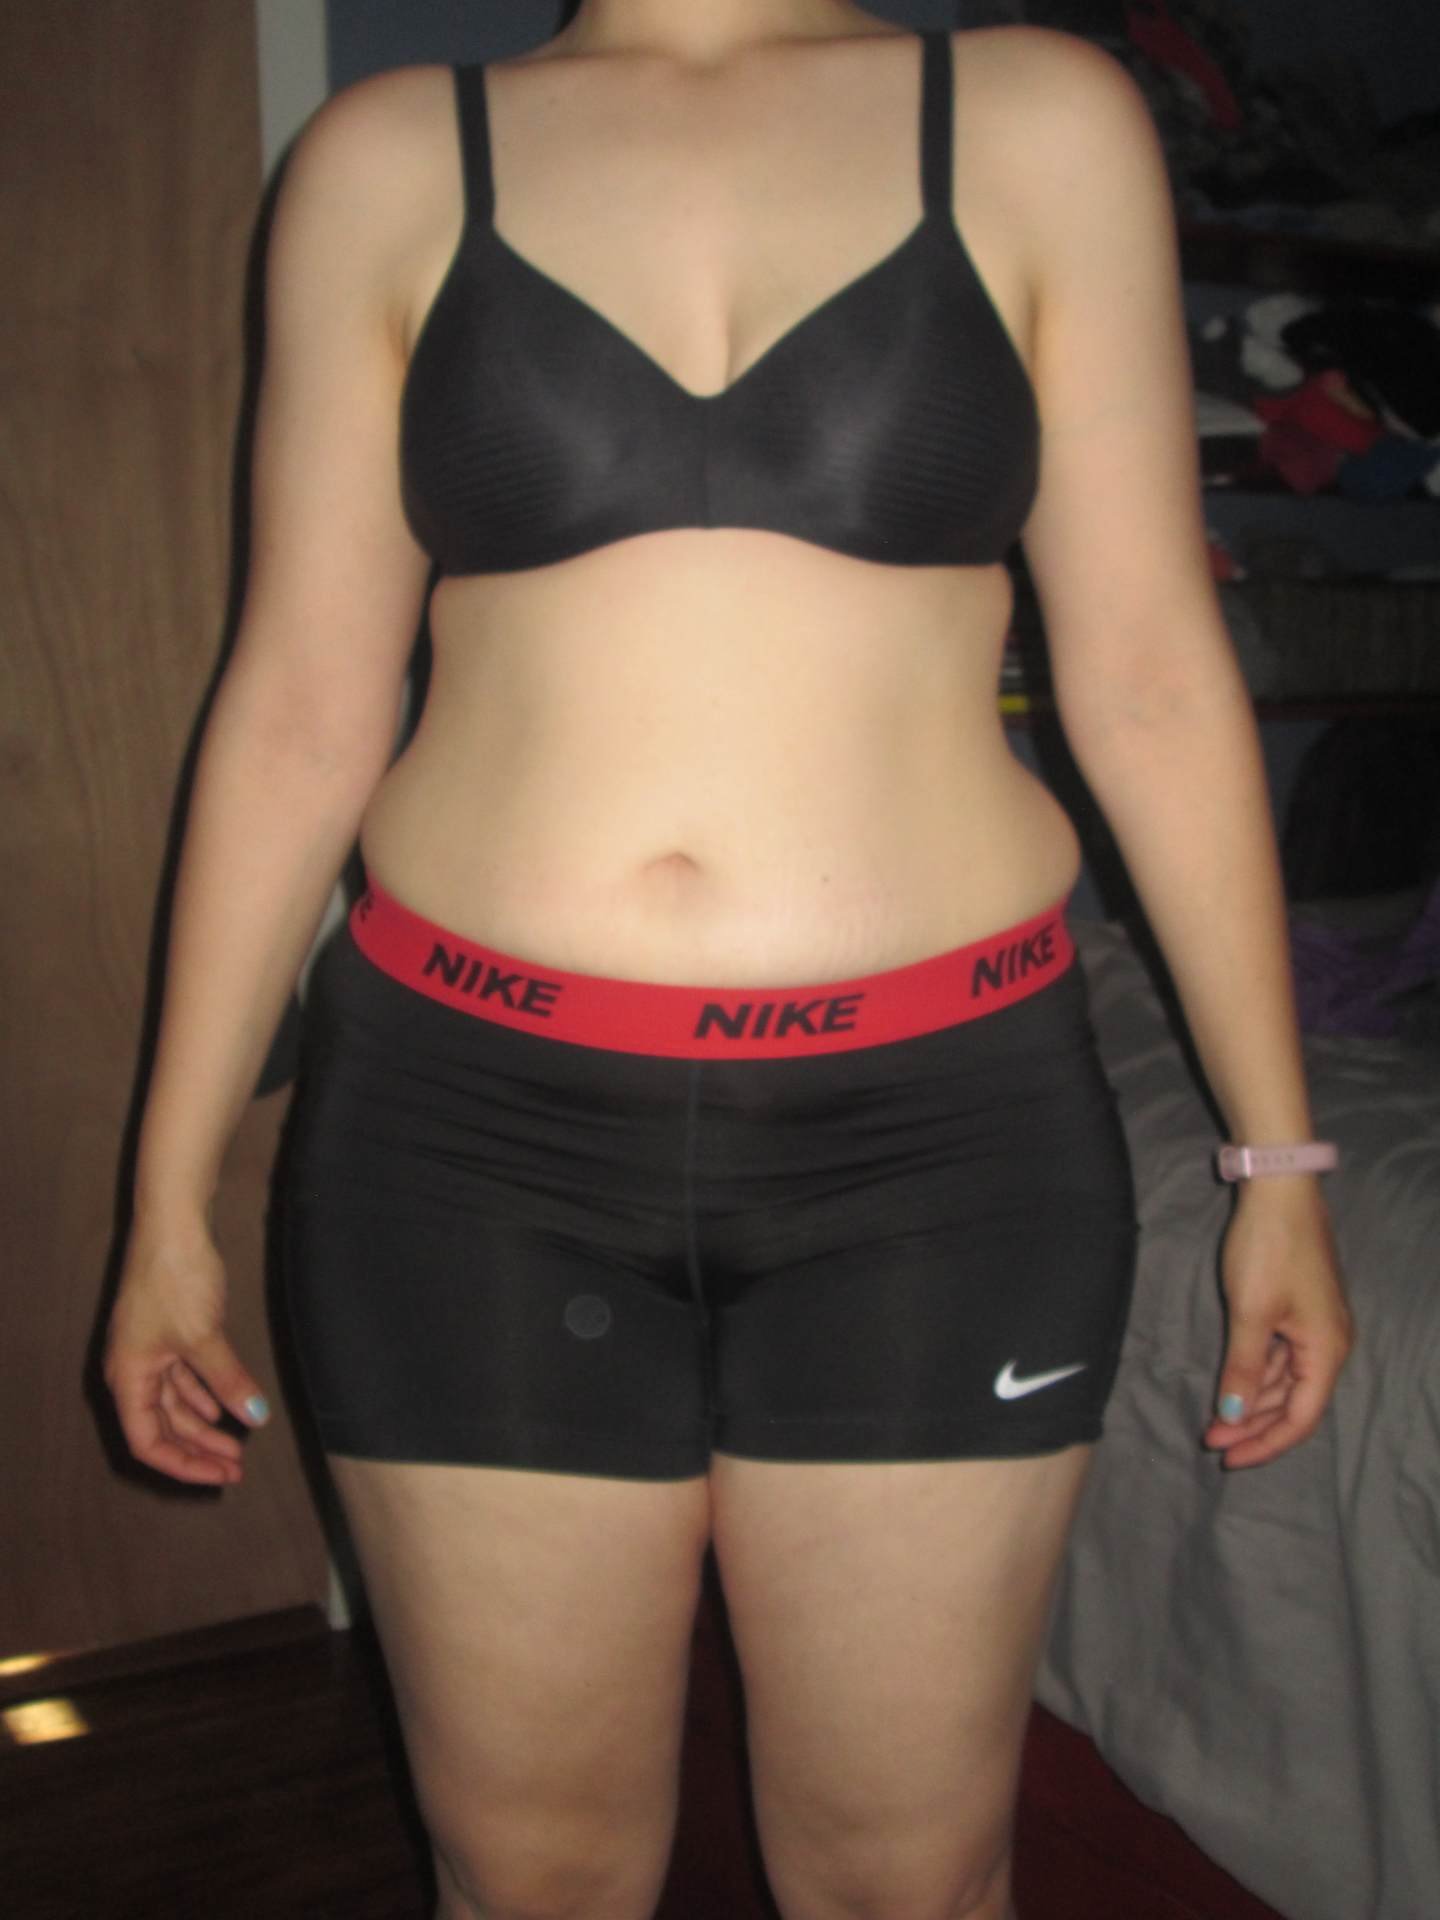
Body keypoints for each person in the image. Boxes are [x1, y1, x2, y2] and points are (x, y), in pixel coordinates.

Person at [104, 4, 1353, 1917]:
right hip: (463, 1146)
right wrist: (167, 1190)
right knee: (532, 1877)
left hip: (941, 1152)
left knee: (905, 1883)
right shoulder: (387, 159)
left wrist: (1279, 1162)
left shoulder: (1037, 119)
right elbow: (293, 709)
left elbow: (1156, 682)